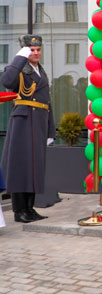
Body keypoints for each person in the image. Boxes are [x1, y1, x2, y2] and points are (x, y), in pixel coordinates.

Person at [0, 35, 56, 223]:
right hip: (23, 123)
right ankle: (19, 211)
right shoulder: (19, 69)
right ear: (25, 51)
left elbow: (47, 102)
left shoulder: (40, 70)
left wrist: (51, 130)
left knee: (34, 168)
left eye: (38, 49)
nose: (36, 53)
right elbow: (7, 81)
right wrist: (18, 58)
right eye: (31, 50)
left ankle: (30, 208)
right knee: (20, 167)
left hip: (38, 123)